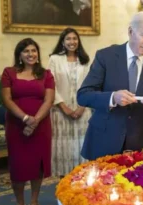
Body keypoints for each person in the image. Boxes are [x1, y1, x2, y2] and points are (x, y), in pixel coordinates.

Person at [77, 12, 143, 160]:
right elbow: (83, 95)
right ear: (131, 32)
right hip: (104, 139)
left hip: (138, 143)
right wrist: (112, 97)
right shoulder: (105, 56)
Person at [1, 38, 55, 205]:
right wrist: (25, 119)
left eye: (33, 50)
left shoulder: (46, 74)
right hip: (16, 126)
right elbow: (6, 100)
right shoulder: (9, 73)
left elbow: (49, 100)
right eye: (26, 51)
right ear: (20, 55)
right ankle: (19, 202)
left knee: (37, 165)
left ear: (38, 54)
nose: (30, 54)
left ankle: (34, 201)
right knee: (18, 166)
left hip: (41, 126)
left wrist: (35, 121)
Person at [48, 27, 91, 177]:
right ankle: (64, 185)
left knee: (81, 148)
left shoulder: (85, 60)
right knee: (64, 149)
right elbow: (50, 85)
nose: (72, 42)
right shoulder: (54, 59)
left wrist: (81, 107)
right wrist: (64, 107)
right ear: (63, 41)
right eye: (68, 39)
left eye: (74, 39)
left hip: (82, 111)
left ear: (78, 41)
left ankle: (82, 186)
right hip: (60, 111)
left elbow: (89, 85)